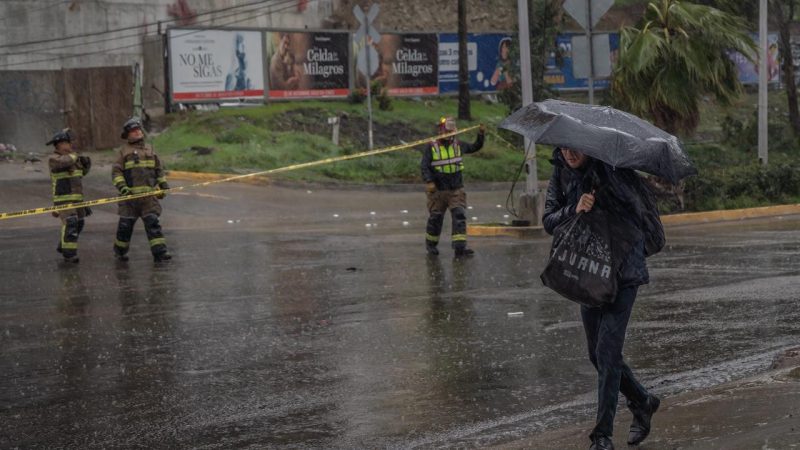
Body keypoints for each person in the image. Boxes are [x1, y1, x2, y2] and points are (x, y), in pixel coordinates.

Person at [542, 147, 660, 450]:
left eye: (575, 149)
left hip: (624, 271)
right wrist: (575, 207)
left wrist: (606, 192)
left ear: (590, 147)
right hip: (590, 270)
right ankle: (642, 401)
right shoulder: (562, 171)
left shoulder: (615, 168)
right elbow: (549, 221)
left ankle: (602, 436)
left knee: (608, 352)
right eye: (564, 148)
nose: (569, 154)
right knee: (597, 355)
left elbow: (638, 214)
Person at [420, 117, 485, 257]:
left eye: (451, 131)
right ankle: (431, 245)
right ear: (440, 131)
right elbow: (424, 166)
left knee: (459, 216)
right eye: (447, 131)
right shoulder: (431, 147)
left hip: (455, 189)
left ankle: (460, 249)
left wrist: (481, 134)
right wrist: (429, 181)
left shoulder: (458, 145)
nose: (449, 134)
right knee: (435, 219)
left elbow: (475, 147)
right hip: (437, 191)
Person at [112, 117, 172, 263]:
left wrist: (163, 185)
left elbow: (158, 169)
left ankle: (160, 253)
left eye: (138, 129)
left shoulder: (150, 149)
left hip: (148, 199)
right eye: (133, 131)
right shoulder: (123, 152)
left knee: (153, 224)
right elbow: (116, 172)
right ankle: (120, 252)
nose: (137, 132)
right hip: (129, 200)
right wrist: (123, 188)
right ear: (127, 135)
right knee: (125, 227)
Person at [47, 129, 91, 263]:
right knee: (71, 223)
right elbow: (65, 162)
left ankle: (63, 245)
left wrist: (86, 164)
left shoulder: (72, 158)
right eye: (67, 143)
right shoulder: (54, 159)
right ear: (59, 145)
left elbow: (81, 174)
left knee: (79, 223)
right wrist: (75, 156)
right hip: (64, 199)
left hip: (77, 199)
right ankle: (69, 254)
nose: (70, 145)